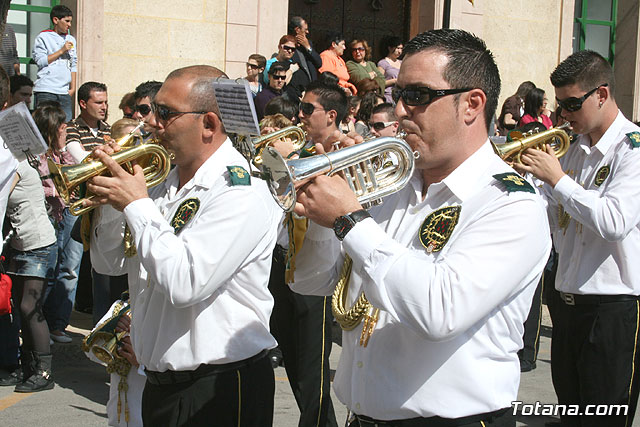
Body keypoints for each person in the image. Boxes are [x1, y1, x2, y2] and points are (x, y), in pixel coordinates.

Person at [290, 28, 551, 426]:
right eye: (398, 97)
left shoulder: (511, 202)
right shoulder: (393, 184)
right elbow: (312, 283)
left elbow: (439, 310)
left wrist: (348, 218)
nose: (399, 112)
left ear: (471, 104)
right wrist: (323, 212)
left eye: (417, 97)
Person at [89, 65, 280, 425]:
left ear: (208, 123)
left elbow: (185, 283)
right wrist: (115, 205)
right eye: (148, 111)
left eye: (165, 113)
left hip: (220, 387)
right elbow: (107, 263)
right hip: (159, 383)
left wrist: (135, 205)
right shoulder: (161, 184)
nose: (151, 123)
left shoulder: (242, 191)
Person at [516, 50, 640, 427]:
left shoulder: (631, 149)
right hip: (567, 300)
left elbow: (614, 220)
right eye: (560, 105)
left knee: (603, 418)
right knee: (571, 414)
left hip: (612, 307)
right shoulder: (571, 149)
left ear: (601, 95)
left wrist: (558, 181)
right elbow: (552, 222)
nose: (564, 115)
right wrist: (528, 189)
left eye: (572, 104)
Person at [270, 79, 346, 427]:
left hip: (321, 270)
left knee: (312, 369)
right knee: (293, 359)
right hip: (285, 262)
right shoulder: (301, 152)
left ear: (331, 116)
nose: (298, 115)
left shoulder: (344, 154)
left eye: (306, 109)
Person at [43, 81, 111, 344]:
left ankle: (70, 323)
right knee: (66, 265)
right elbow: (82, 160)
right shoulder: (71, 128)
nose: (104, 107)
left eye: (105, 102)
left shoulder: (107, 130)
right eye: (98, 102)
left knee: (94, 269)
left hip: (101, 205)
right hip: (76, 204)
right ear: (83, 103)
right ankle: (54, 324)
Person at [1, 158, 58, 392]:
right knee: (17, 308)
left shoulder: (16, 164)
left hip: (39, 245)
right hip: (19, 244)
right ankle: (27, 367)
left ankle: (44, 372)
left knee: (29, 307)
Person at [32, 5, 77, 121]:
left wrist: (72, 88)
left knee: (65, 126)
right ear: (56, 20)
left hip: (64, 91)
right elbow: (41, 61)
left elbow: (73, 64)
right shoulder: (43, 37)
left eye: (70, 22)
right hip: (46, 89)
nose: (69, 25)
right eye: (66, 21)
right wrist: (61, 51)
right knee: (46, 125)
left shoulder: (71, 39)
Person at [286, 16, 323, 100]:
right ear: (297, 30)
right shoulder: (289, 47)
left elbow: (319, 63)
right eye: (305, 29)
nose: (307, 32)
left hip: (311, 91)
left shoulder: (308, 45)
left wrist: (308, 47)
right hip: (297, 94)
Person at [377, 36, 403, 103]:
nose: (399, 51)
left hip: (401, 96)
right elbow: (379, 83)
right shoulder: (383, 63)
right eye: (397, 48)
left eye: (401, 48)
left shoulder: (402, 63)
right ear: (390, 48)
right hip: (389, 96)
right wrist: (394, 81)